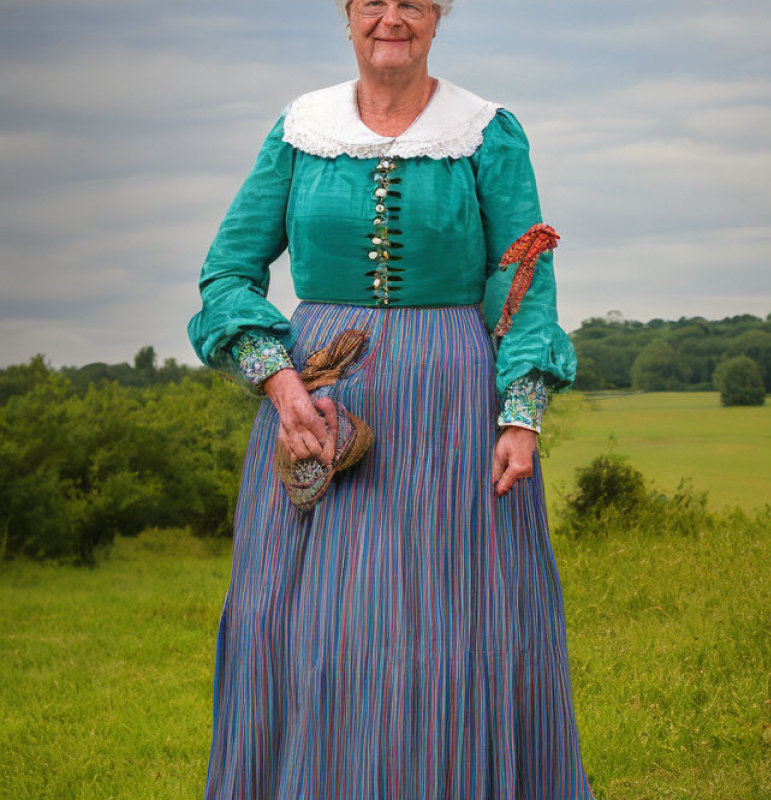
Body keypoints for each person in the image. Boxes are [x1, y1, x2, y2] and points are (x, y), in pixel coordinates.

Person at [188, 0, 595, 796]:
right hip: (318, 413)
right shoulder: (301, 130)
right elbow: (227, 272)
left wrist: (521, 415)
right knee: (308, 628)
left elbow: (524, 281)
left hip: (452, 412)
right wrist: (278, 380)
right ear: (347, 15)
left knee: (447, 628)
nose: (392, 17)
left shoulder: (487, 132)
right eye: (373, 0)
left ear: (439, 14)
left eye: (413, 1)